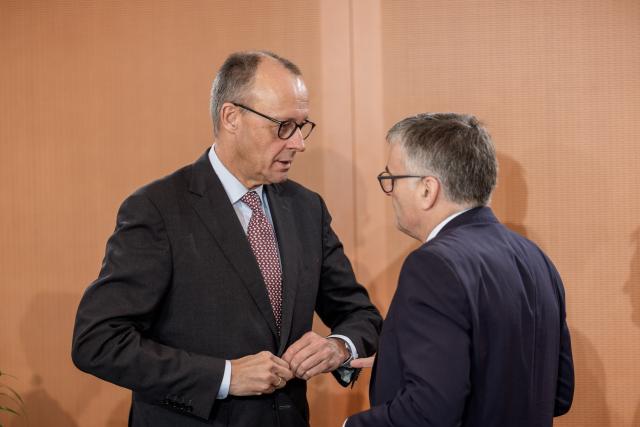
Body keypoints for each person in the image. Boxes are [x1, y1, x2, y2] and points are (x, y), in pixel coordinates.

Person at [71, 51, 382, 427]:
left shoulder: (307, 208)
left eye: (302, 126)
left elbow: (360, 314)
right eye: (283, 126)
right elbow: (98, 342)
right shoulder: (157, 209)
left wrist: (338, 347)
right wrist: (225, 376)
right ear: (232, 117)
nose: (298, 143)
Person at [346, 113, 574, 426]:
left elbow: (431, 411)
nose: (390, 192)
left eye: (391, 179)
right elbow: (559, 395)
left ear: (428, 189)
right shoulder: (536, 260)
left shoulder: (433, 265)